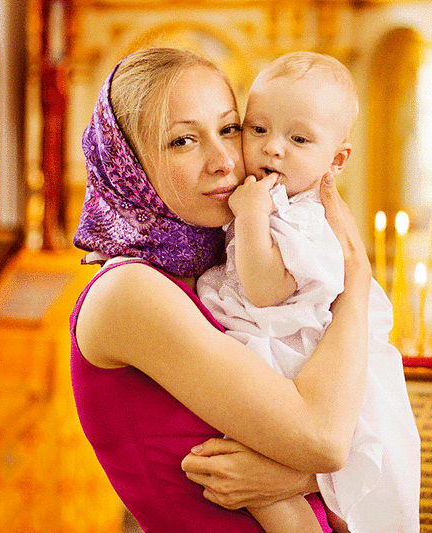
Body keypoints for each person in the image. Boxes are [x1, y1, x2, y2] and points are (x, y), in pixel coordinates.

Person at [71, 47, 374, 533]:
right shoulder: (127, 291)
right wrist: (355, 286)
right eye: (183, 140)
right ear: (126, 164)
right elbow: (326, 441)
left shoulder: (223, 266)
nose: (224, 161)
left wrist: (299, 478)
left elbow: (346, 434)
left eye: (230, 129)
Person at [196, 52, 421, 533]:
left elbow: (264, 289)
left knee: (278, 481)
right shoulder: (274, 202)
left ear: (336, 159)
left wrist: (251, 215)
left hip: (301, 358)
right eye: (258, 129)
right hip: (278, 350)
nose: (273, 148)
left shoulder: (306, 222)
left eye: (298, 139)